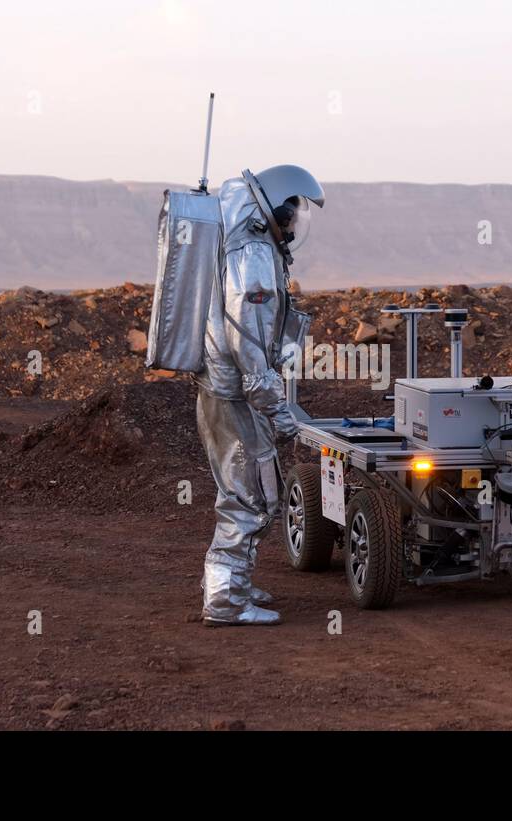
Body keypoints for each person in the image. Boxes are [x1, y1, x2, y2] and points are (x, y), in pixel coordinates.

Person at [197, 165, 325, 626]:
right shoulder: (252, 257)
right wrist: (282, 412)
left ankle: (236, 585)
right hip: (237, 396)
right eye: (291, 216)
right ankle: (225, 603)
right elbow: (249, 349)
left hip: (224, 390)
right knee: (248, 498)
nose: (293, 226)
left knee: (245, 491)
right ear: (276, 209)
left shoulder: (240, 240)